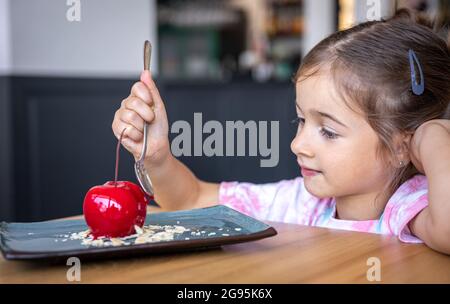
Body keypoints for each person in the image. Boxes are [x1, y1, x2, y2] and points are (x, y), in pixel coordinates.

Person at [111, 9, 450, 254]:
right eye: (301, 121)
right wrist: (156, 156)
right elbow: (193, 199)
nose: (298, 144)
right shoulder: (302, 203)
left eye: (328, 131)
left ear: (400, 147)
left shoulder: (409, 209)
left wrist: (432, 134)